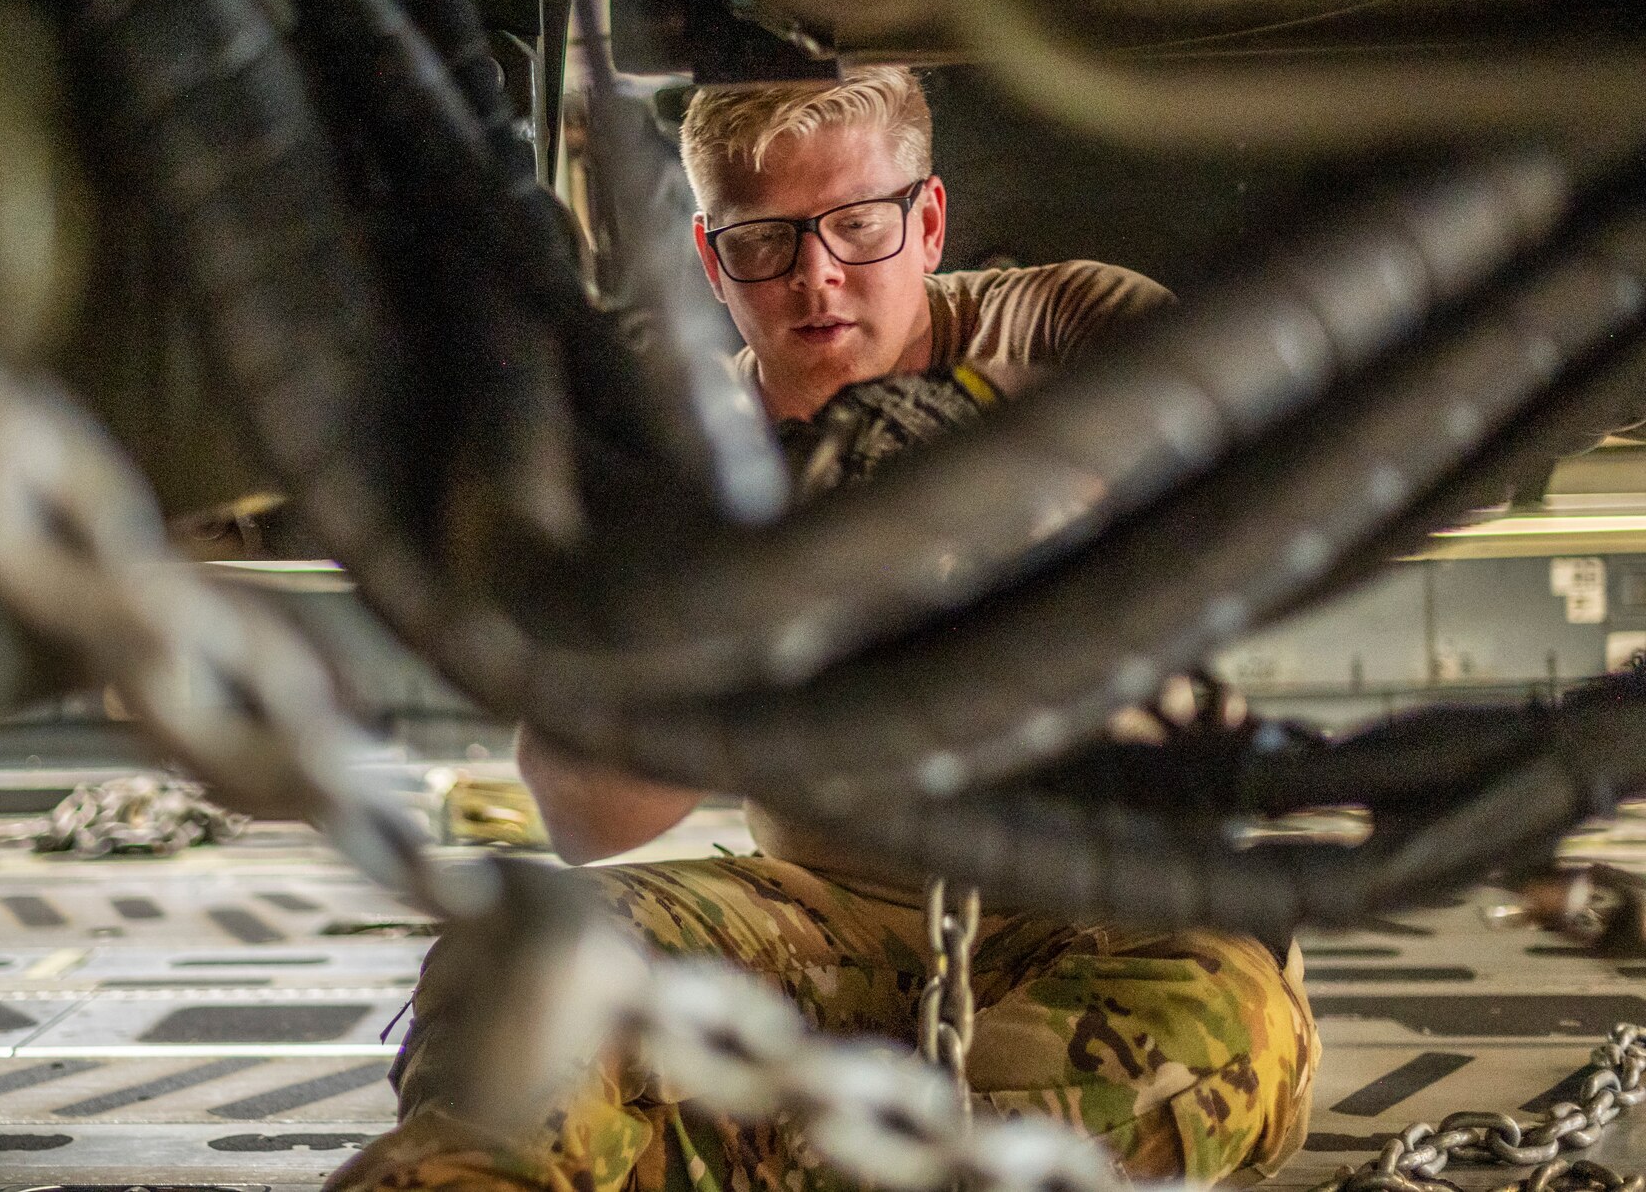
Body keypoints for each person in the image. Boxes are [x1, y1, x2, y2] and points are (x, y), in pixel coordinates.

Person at [328, 67, 1318, 1192]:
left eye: (857, 224)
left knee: (1201, 1026)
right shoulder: (676, 452)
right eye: (763, 243)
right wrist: (743, 617)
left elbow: (1227, 483)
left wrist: (975, 479)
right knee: (519, 963)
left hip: (1107, 911)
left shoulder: (1059, 330)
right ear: (710, 262)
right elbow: (583, 812)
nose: (818, 277)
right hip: (822, 917)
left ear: (928, 220)